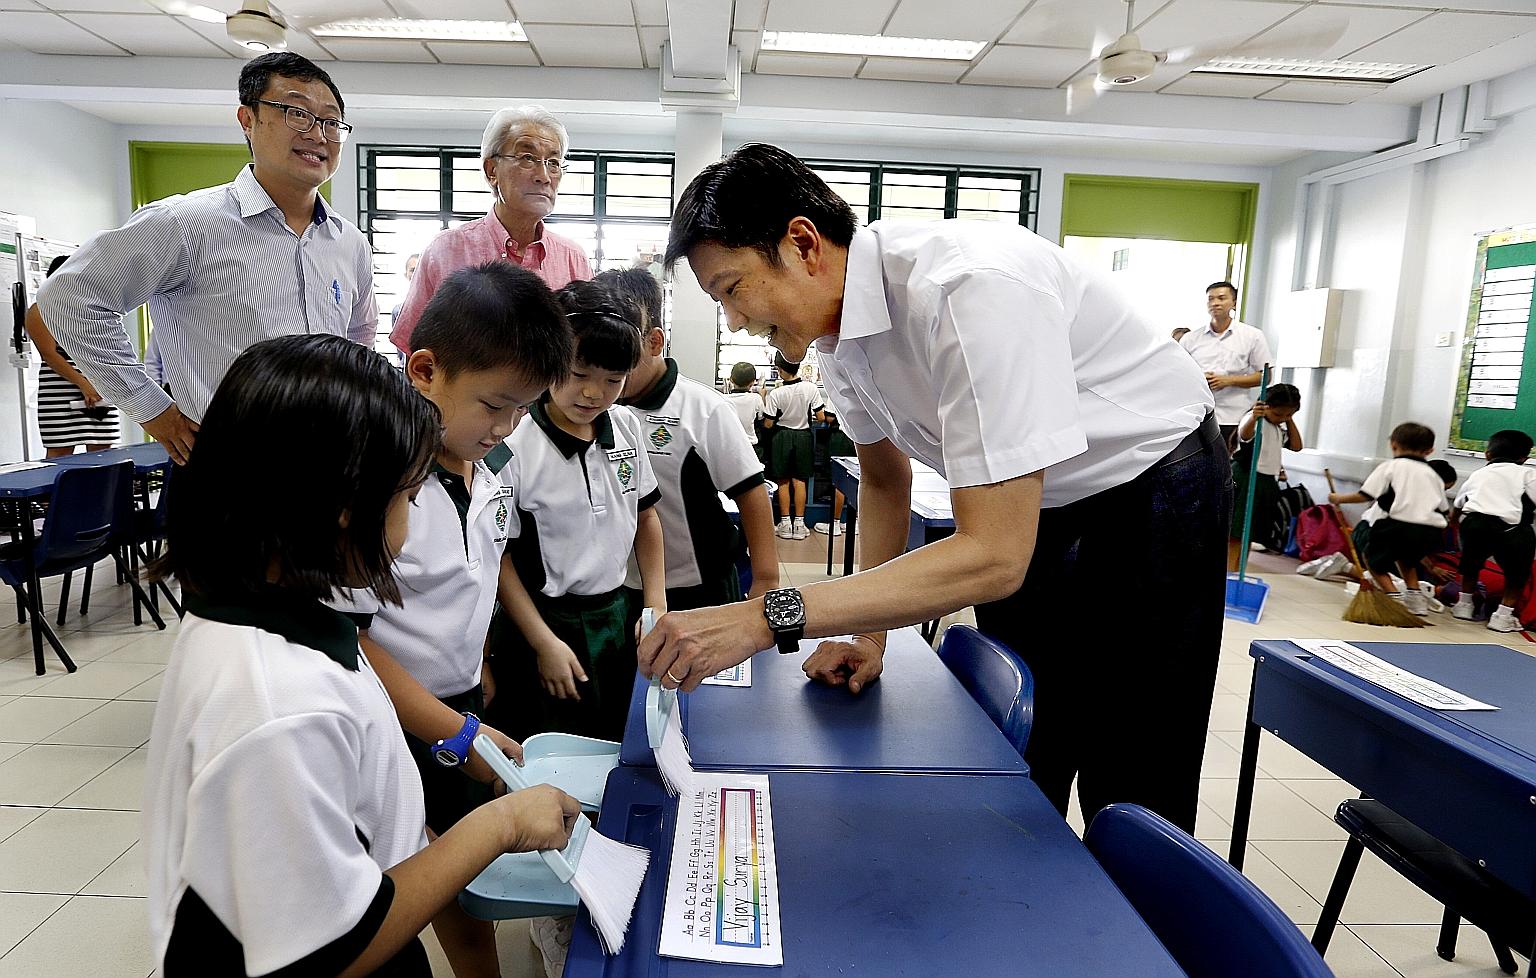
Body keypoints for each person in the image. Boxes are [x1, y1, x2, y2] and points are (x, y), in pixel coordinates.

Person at [642, 143, 1225, 833]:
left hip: (1153, 488)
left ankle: (1141, 927)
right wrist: (869, 635)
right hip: (1044, 506)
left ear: (803, 244)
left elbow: (994, 554)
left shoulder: (968, 289)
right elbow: (885, 482)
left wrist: (765, 616)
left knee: (1132, 769)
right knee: (1033, 746)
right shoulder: (839, 340)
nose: (735, 321)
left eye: (733, 290)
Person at [142, 333, 579, 978]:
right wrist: (504, 824)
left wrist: (463, 743)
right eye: (406, 496)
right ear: (346, 508)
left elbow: (361, 783)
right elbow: (332, 951)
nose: (409, 516)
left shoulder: (272, 615)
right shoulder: (279, 704)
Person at [329, 263, 571, 978]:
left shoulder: (489, 468)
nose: (505, 427)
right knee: (414, 872)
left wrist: (481, 674)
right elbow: (352, 639)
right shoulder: (385, 489)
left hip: (458, 704)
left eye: (523, 411)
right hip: (395, 716)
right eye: (495, 405)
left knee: (465, 873)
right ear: (426, 371)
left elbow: (475, 575)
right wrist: (451, 728)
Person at [37, 52, 375, 466]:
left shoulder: (349, 243)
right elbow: (69, 298)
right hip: (225, 467)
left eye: (331, 121)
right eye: (296, 113)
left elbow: (358, 340)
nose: (318, 134)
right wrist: (152, 409)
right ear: (248, 119)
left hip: (329, 464)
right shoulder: (185, 224)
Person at [496, 280, 666, 743]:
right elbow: (501, 559)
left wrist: (655, 600)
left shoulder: (628, 427)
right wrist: (542, 642)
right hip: (550, 623)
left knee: (618, 737)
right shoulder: (515, 446)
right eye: (578, 374)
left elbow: (646, 517)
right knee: (556, 743)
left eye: (613, 381)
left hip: (617, 614)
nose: (594, 394)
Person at [601, 268, 779, 609]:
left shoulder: (703, 409)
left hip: (700, 589)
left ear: (654, 342)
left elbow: (751, 492)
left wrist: (766, 580)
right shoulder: (593, 411)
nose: (609, 374)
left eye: (621, 355)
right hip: (617, 590)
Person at [391, 106, 591, 353]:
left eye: (553, 162)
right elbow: (416, 352)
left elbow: (585, 354)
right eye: (527, 158)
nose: (544, 176)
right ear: (491, 171)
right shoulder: (446, 251)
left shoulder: (573, 259)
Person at [1328, 422, 1448, 616]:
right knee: (1407, 559)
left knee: (1372, 559)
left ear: (1393, 444)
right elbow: (1443, 507)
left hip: (1396, 524)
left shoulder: (1391, 467)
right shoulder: (1433, 474)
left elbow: (1366, 495)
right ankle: (1415, 599)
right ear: (1430, 450)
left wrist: (1338, 498)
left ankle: (1394, 599)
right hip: (1430, 530)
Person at [24, 255, 119, 456]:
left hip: (100, 386)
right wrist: (84, 384)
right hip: (60, 390)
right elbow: (49, 355)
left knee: (103, 454)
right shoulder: (39, 311)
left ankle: (100, 489)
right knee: (60, 453)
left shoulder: (94, 308)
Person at [1451, 429, 1536, 632]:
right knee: (1517, 573)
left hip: (1474, 525)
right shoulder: (1528, 473)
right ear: (1524, 458)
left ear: (1487, 454)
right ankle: (1502, 616)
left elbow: (1459, 503)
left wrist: (1454, 522)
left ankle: (1464, 605)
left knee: (1470, 565)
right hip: (1511, 529)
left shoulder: (1478, 473)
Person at [1179, 281, 1271, 442]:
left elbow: (1265, 377)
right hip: (1197, 417)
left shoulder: (1252, 335)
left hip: (1235, 417)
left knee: (1229, 465)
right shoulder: (1190, 338)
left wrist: (1228, 380)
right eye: (1210, 299)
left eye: (1221, 298)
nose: (1215, 303)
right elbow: (1177, 374)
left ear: (1234, 303)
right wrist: (1199, 379)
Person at [1229, 383, 1302, 570]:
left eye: (1289, 415)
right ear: (1265, 406)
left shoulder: (1278, 427)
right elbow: (1244, 434)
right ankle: (1227, 575)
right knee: (1236, 534)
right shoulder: (1255, 421)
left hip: (1267, 482)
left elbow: (1296, 445)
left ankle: (1238, 573)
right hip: (1248, 478)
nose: (1282, 419)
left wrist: (1288, 419)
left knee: (1249, 536)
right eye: (1279, 414)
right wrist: (1254, 416)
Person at [763, 352, 823, 540]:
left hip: (782, 437)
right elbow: (821, 417)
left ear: (780, 370)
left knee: (782, 481)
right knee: (800, 481)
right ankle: (800, 524)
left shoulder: (776, 393)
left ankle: (785, 523)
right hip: (804, 436)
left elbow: (768, 424)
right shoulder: (810, 388)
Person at [723, 361, 766, 462]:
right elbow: (762, 418)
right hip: (751, 447)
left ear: (731, 380)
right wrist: (763, 397)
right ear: (753, 382)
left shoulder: (723, 399)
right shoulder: (756, 398)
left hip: (729, 447)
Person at [389, 252, 421, 324]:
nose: (416, 273)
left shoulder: (436, 309)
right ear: (406, 275)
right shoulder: (398, 312)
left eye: (419, 269)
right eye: (413, 270)